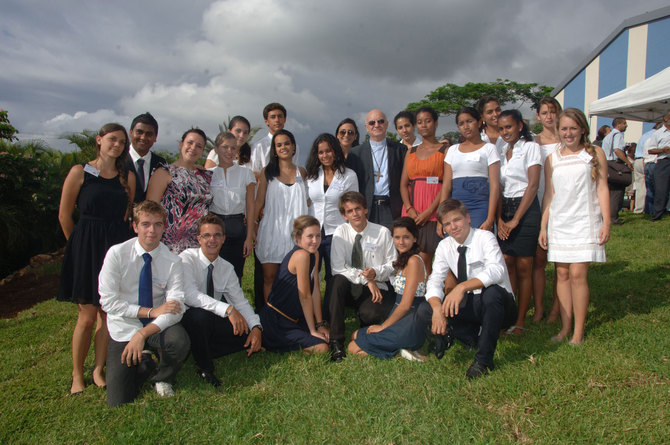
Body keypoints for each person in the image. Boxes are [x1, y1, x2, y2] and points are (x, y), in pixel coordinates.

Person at [57, 123, 135, 395]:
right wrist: (77, 247)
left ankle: (98, 369)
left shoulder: (126, 178)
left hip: (114, 247)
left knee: (107, 313)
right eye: (112, 139)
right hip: (86, 248)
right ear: (99, 140)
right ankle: (77, 374)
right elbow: (65, 216)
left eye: (122, 142)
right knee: (87, 316)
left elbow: (127, 216)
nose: (117, 145)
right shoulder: (80, 172)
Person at [99, 200, 190, 406]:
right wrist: (151, 311)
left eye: (158, 224)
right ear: (135, 226)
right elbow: (109, 303)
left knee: (179, 340)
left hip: (156, 327)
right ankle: (145, 362)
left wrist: (142, 334)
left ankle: (163, 377)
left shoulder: (173, 261)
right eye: (146, 224)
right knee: (119, 401)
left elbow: (176, 309)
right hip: (125, 324)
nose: (152, 230)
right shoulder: (117, 254)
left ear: (164, 227)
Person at [539, 108, 609, 345]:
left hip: (585, 221)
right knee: (562, 274)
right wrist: (543, 226)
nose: (568, 133)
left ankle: (578, 332)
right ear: (558, 131)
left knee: (578, 274)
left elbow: (602, 188)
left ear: (582, 130)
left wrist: (607, 222)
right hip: (560, 222)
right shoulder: (552, 158)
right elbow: (549, 194)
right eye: (564, 129)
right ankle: (564, 328)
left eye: (573, 128)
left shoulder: (594, 153)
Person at [426, 199, 517, 378]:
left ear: (468, 218)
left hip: (500, 307)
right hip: (471, 304)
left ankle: (483, 361)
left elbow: (496, 271)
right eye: (447, 224)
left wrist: (462, 287)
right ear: (443, 228)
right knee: (425, 309)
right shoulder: (444, 246)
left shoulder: (485, 237)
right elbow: (435, 279)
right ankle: (470, 336)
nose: (453, 227)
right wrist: (437, 309)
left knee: (491, 293)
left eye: (457, 220)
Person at [179, 214, 262, 387]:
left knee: (249, 333)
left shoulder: (226, 267)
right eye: (206, 235)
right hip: (186, 319)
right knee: (198, 317)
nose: (212, 240)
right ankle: (205, 367)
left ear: (224, 239)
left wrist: (256, 327)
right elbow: (190, 295)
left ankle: (200, 348)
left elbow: (240, 301)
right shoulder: (186, 258)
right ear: (198, 239)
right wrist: (228, 310)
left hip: (213, 319)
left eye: (217, 235)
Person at [348, 217, 429, 361]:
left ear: (415, 238)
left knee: (352, 348)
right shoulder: (403, 259)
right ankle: (400, 348)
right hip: (398, 317)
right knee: (354, 334)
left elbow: (405, 305)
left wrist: (383, 326)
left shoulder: (414, 261)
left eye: (406, 237)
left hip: (410, 320)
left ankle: (401, 351)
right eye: (397, 237)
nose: (401, 242)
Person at [328, 192, 396, 362]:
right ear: (344, 215)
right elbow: (337, 268)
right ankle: (336, 341)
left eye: (358, 208)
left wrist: (375, 273)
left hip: (376, 287)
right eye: (349, 211)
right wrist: (367, 279)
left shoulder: (382, 232)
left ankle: (364, 328)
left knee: (370, 315)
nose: (355, 214)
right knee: (336, 282)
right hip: (350, 285)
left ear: (366, 209)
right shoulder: (340, 232)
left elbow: (393, 265)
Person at [497, 109, 542, 336]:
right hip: (505, 207)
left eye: (509, 127)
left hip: (526, 209)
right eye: (502, 128)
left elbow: (533, 185)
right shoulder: (502, 150)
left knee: (524, 266)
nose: (505, 131)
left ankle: (521, 319)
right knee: (507, 264)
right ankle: (509, 313)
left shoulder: (531, 148)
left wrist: (516, 219)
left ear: (520, 126)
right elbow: (499, 187)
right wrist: (501, 218)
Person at [259, 215, 330, 353]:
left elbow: (315, 289)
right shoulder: (301, 256)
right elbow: (305, 296)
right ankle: (269, 343)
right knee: (322, 347)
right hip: (277, 321)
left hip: (295, 318)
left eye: (318, 235)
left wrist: (320, 324)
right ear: (298, 237)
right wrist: (312, 330)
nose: (315, 241)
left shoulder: (314, 254)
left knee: (327, 336)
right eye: (310, 236)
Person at [305, 133, 358, 315]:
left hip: (336, 232)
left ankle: (328, 313)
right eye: (321, 152)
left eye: (328, 151)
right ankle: (310, 312)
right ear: (316, 154)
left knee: (333, 276)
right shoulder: (311, 176)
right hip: (313, 234)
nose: (325, 155)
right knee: (311, 273)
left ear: (335, 151)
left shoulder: (349, 176)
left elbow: (353, 206)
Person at [253, 129, 309, 303]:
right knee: (269, 277)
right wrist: (252, 229)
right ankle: (271, 319)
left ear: (293, 147)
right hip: (272, 232)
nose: (283, 147)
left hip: (296, 234)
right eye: (279, 145)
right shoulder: (266, 172)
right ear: (274, 149)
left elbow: (308, 201)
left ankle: (292, 318)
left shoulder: (303, 172)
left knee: (295, 279)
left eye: (287, 143)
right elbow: (258, 202)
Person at [146, 128, 212, 254]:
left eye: (199, 146)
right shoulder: (164, 172)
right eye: (190, 143)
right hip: (170, 243)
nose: (193, 148)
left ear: (202, 151)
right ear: (181, 144)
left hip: (199, 243)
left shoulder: (205, 175)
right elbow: (150, 210)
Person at [399, 106, 449, 272]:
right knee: (408, 258)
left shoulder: (445, 150)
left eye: (428, 121)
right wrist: (409, 208)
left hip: (433, 212)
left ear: (435, 123)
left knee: (425, 259)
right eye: (419, 122)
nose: (424, 125)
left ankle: (427, 296)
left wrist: (429, 212)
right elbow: (403, 184)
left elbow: (447, 184)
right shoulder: (411, 151)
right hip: (411, 211)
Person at [441, 107, 500, 232]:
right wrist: (441, 218)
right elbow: (446, 186)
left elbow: (495, 186)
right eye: (461, 123)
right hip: (455, 209)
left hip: (480, 207)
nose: (466, 126)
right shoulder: (452, 150)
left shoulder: (489, 149)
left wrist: (490, 218)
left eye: (469, 121)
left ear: (479, 122)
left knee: (478, 245)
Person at [208, 132, 256, 280]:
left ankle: (234, 304)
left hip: (237, 227)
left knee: (235, 275)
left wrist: (249, 237)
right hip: (214, 227)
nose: (229, 151)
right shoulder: (207, 174)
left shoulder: (246, 174)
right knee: (213, 273)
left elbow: (250, 206)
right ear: (216, 149)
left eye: (233, 148)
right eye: (225, 147)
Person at [532, 97, 563, 323]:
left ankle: (558, 308)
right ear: (538, 117)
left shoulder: (568, 140)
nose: (549, 116)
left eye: (553, 112)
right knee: (539, 261)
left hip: (564, 206)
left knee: (562, 264)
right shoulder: (533, 143)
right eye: (545, 113)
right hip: (540, 204)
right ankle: (539, 308)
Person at [348, 109, 407, 227]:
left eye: (380, 121)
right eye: (372, 123)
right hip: (367, 208)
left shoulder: (400, 150)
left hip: (392, 207)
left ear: (386, 124)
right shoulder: (355, 153)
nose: (376, 125)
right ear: (366, 127)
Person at [126, 112, 167, 204]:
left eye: (149, 134)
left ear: (155, 137)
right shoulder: (118, 158)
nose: (143, 137)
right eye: (139, 132)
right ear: (131, 133)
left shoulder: (161, 163)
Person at [250, 103, 299, 178]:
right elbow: (254, 173)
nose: (277, 120)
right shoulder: (258, 147)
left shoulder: (293, 146)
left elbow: (294, 169)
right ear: (266, 121)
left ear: (284, 119)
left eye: (280, 116)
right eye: (273, 117)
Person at [602, 118, 631, 225]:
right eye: (624, 123)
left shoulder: (608, 137)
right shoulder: (618, 135)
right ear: (618, 125)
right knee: (617, 193)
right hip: (616, 165)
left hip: (607, 164)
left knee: (607, 192)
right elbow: (617, 150)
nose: (626, 126)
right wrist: (628, 162)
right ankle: (613, 218)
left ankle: (604, 217)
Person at [648, 111, 670, 221]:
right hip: (664, 161)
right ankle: (657, 215)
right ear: (666, 118)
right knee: (661, 189)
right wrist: (663, 150)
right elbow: (650, 150)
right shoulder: (658, 133)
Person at [643, 122, 663, 214]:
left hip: (647, 164)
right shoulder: (658, 140)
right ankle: (656, 210)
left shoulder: (648, 140)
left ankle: (649, 210)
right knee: (658, 188)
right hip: (655, 164)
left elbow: (644, 155)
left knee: (649, 189)